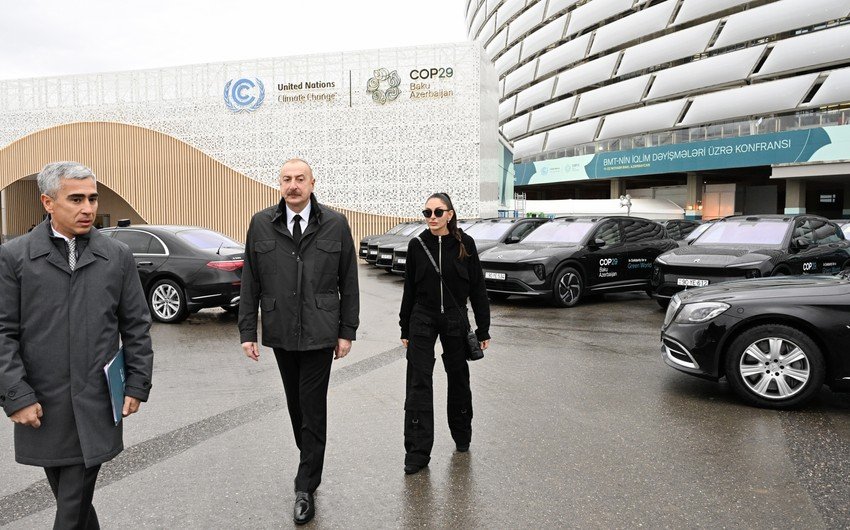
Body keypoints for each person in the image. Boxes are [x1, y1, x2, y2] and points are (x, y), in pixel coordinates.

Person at [0, 161, 154, 529]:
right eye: (76, 199)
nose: (88, 208)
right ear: (48, 202)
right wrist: (16, 395)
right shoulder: (15, 257)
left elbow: (136, 325)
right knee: (74, 499)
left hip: (97, 398)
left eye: (92, 198)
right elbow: (3, 331)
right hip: (43, 402)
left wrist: (136, 383)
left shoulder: (116, 256)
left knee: (72, 500)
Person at [238, 158, 359, 525]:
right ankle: (309, 459)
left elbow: (349, 281)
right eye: (287, 179)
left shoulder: (335, 224)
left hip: (321, 331)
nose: (293, 185)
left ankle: (305, 485)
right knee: (296, 407)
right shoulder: (261, 223)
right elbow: (250, 281)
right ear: (280, 184)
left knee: (312, 405)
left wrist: (347, 331)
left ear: (312, 183)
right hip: (281, 329)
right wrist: (247, 332)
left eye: (300, 179)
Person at [399, 192, 490, 475]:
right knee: (418, 383)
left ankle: (462, 434)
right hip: (422, 318)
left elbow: (478, 288)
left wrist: (483, 327)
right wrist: (405, 326)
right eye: (427, 213)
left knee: (458, 377)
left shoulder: (466, 244)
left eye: (438, 212)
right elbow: (409, 289)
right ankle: (417, 452)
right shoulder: (417, 245)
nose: (432, 218)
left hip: (455, 317)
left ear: (450, 214)